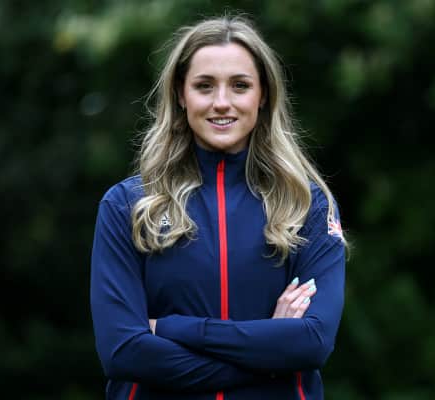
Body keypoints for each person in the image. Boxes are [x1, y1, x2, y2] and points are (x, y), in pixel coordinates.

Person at [90, 15, 347, 400]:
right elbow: (124, 352)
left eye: (240, 86)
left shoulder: (306, 205)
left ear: (263, 96)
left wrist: (171, 328)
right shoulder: (127, 206)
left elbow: (312, 342)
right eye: (204, 86)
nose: (222, 102)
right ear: (181, 94)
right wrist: (271, 359)